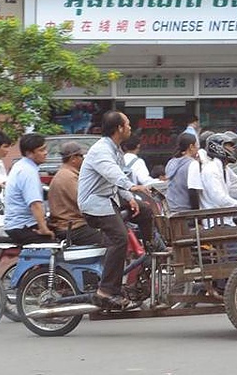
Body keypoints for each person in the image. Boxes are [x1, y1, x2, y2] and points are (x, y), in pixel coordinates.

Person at [77, 110, 153, 310]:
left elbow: (117, 183)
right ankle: (106, 291)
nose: (130, 127)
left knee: (145, 211)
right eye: (127, 124)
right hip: (94, 204)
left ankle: (151, 254)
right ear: (119, 128)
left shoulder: (116, 149)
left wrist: (130, 198)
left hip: (108, 200)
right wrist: (131, 187)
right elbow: (113, 174)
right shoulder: (101, 150)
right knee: (120, 238)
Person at [48, 141, 103, 245]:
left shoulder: (66, 174)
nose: (83, 159)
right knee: (114, 239)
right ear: (73, 158)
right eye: (81, 156)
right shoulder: (68, 177)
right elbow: (84, 201)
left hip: (73, 224)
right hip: (73, 227)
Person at [4, 133, 54, 245]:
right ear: (29, 153)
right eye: (41, 150)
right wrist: (44, 229)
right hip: (23, 226)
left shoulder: (21, 166)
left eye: (45, 149)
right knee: (57, 240)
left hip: (16, 224)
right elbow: (35, 204)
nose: (45, 153)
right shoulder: (28, 172)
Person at [199, 132, 237, 213]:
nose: (233, 149)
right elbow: (219, 198)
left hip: (225, 218)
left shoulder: (225, 169)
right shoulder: (211, 170)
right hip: (214, 220)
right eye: (229, 146)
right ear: (218, 148)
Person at [165, 132, 203, 213]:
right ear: (191, 147)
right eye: (196, 145)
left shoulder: (171, 162)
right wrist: (198, 217)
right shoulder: (192, 164)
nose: (197, 148)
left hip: (170, 210)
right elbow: (193, 192)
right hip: (185, 212)